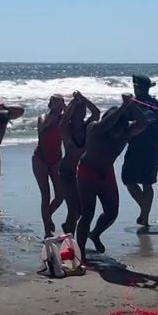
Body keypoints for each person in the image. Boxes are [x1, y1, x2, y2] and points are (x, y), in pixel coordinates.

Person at [74, 95, 146, 260]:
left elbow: (143, 124)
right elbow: (106, 124)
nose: (117, 132)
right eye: (114, 127)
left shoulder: (125, 133)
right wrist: (123, 107)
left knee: (112, 212)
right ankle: (81, 253)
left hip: (106, 173)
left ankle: (95, 234)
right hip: (87, 172)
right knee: (87, 214)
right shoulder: (95, 128)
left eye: (120, 128)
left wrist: (132, 105)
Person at [121, 75, 158, 228]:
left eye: (135, 86)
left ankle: (144, 210)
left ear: (138, 87)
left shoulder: (134, 104)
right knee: (146, 182)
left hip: (139, 147)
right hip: (152, 148)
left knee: (129, 180)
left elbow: (123, 124)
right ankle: (145, 214)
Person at [60, 92, 101, 234]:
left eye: (83, 110)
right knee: (73, 208)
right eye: (79, 109)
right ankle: (70, 238)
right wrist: (74, 103)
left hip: (81, 174)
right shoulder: (66, 128)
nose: (81, 112)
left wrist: (83, 99)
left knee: (81, 211)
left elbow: (96, 113)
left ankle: (67, 228)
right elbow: (64, 120)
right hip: (67, 172)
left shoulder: (88, 127)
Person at [32, 94, 68, 236]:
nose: (59, 107)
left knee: (60, 195)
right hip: (40, 158)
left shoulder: (64, 119)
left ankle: (48, 216)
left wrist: (65, 109)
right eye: (56, 104)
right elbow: (43, 127)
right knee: (45, 195)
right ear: (51, 104)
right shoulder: (44, 117)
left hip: (56, 159)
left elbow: (73, 116)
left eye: (61, 104)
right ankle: (47, 231)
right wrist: (54, 113)